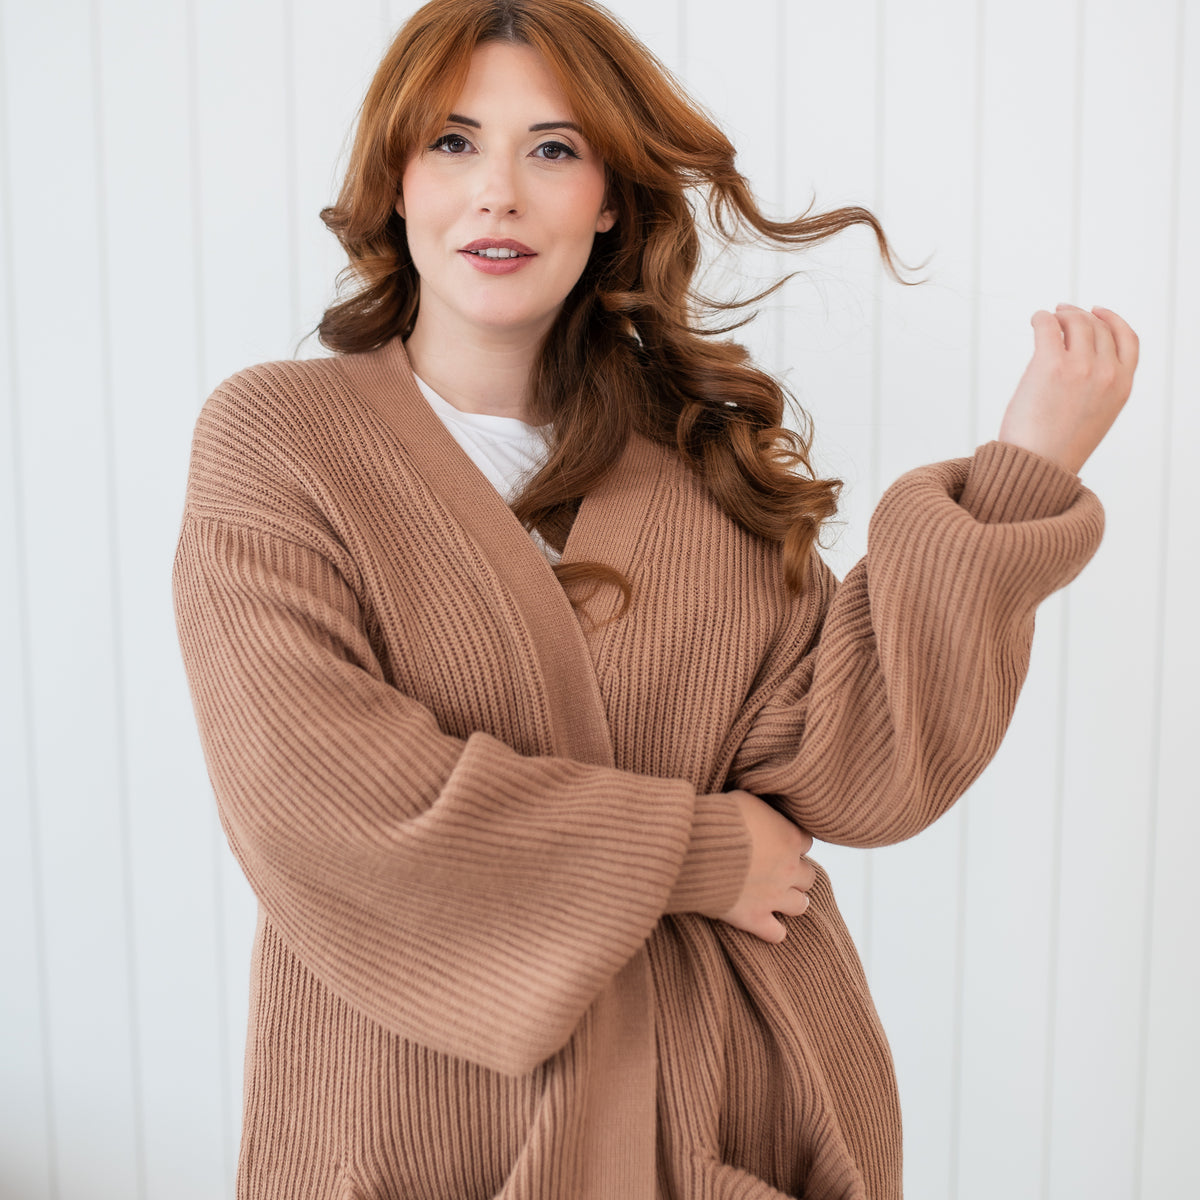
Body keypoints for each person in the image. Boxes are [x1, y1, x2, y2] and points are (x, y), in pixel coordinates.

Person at [171, 1, 1137, 1197]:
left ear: (612, 197)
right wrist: (686, 846)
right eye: (454, 143)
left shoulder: (693, 467)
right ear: (397, 181)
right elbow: (317, 795)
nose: (500, 193)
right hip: (412, 1116)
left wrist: (1024, 470)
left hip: (705, 1115)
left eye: (555, 149)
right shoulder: (281, 441)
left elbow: (854, 764)